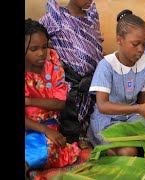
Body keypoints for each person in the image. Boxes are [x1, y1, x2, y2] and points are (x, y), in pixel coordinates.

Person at [86, 10, 145, 156]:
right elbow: (103, 105)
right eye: (135, 44)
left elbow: (143, 96)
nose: (140, 50)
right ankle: (105, 146)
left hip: (132, 117)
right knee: (129, 151)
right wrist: (139, 108)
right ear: (119, 40)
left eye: (144, 44)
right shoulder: (106, 65)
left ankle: (114, 151)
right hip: (108, 119)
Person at [39, 0, 104, 148]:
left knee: (89, 120)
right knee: (69, 121)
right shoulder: (55, 18)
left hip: (92, 82)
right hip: (70, 83)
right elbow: (36, 39)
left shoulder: (92, 17)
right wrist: (54, 53)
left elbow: (95, 45)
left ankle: (84, 139)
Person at [25, 19, 81, 174]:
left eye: (44, 46)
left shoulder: (52, 65)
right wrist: (44, 129)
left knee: (51, 146)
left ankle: (30, 166)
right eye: (34, 49)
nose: (41, 53)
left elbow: (59, 104)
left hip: (48, 126)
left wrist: (29, 101)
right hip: (33, 126)